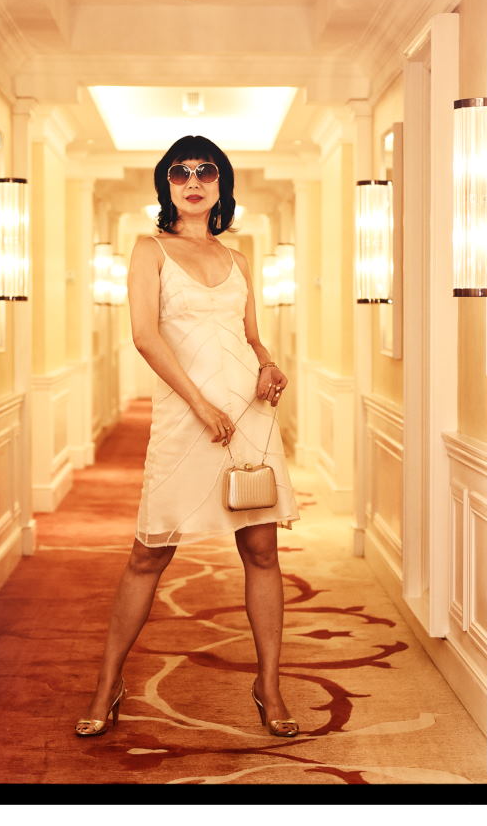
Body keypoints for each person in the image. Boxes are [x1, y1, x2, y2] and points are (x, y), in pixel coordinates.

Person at [75, 135, 301, 738]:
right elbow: (146, 335)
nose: (193, 180)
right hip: (186, 416)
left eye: (206, 171)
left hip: (247, 415)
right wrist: (199, 404)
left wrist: (270, 363)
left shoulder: (239, 260)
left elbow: (251, 336)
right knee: (149, 552)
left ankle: (269, 686)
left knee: (261, 552)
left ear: (222, 185)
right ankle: (108, 683)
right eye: (180, 172)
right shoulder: (149, 249)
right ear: (166, 185)